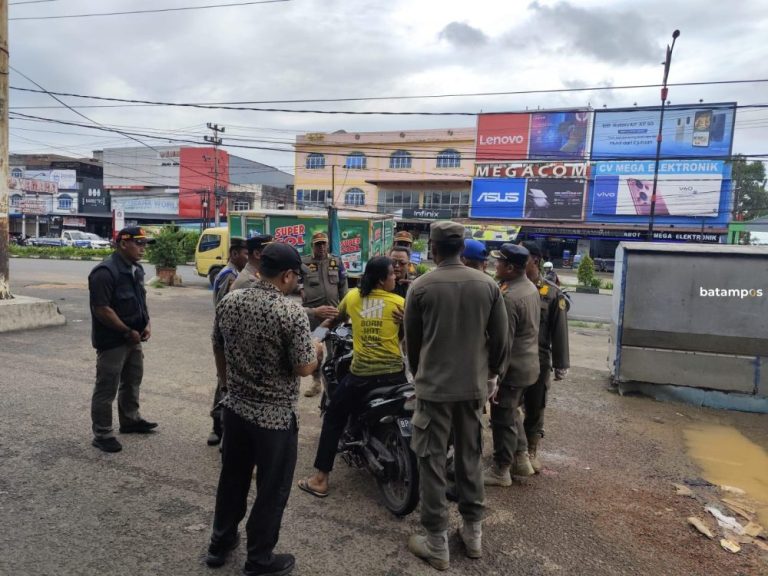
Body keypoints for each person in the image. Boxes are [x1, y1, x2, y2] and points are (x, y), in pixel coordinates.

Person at [206, 242, 321, 576]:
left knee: (232, 480)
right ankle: (259, 559)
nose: (296, 283)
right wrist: (317, 350)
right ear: (286, 276)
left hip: (236, 410)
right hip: (274, 419)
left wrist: (228, 386)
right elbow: (303, 368)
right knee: (271, 490)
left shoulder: (230, 300)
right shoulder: (290, 312)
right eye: (295, 277)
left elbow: (218, 347)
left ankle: (220, 543)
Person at [404, 221, 509, 570]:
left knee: (432, 463)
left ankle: (437, 544)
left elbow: (413, 345)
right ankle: (473, 535)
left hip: (434, 390)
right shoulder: (488, 285)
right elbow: (500, 340)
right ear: (462, 249)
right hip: (473, 389)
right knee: (470, 457)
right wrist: (492, 376)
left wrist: (421, 375)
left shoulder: (420, 287)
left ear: (433, 249)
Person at [298, 256, 406, 498]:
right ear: (381, 279)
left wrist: (315, 337)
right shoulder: (400, 303)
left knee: (334, 416)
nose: (395, 277)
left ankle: (320, 479)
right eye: (391, 274)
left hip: (364, 373)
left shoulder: (354, 298)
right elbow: (406, 335)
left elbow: (333, 320)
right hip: (396, 375)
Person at [88, 227, 157, 453]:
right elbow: (102, 309)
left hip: (133, 338)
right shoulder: (105, 272)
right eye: (139, 243)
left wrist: (146, 323)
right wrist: (127, 331)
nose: (142, 248)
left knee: (132, 380)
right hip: (113, 341)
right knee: (106, 386)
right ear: (123, 243)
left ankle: (130, 420)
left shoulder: (135, 269)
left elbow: (140, 300)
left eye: (144, 243)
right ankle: (103, 433)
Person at [485, 243, 540, 486]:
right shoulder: (528, 287)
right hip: (528, 365)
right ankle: (521, 459)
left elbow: (503, 342)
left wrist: (495, 374)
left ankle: (501, 470)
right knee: (513, 412)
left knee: (503, 418)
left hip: (512, 368)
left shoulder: (509, 297)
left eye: (498, 261)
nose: (494, 264)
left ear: (509, 267)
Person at [519, 242, 569, 473]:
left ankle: (531, 450)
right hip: (510, 359)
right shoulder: (506, 286)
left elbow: (559, 331)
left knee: (536, 406)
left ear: (535, 260)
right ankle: (512, 451)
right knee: (506, 407)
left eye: (523, 255)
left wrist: (561, 364)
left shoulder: (551, 293)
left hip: (539, 360)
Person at [208, 237, 249, 446]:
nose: (247, 257)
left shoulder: (235, 274)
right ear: (234, 254)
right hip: (226, 335)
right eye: (244, 253)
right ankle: (218, 428)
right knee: (223, 383)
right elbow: (226, 308)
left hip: (227, 335)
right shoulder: (229, 275)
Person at [301, 231, 347, 397]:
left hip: (333, 317)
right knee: (317, 350)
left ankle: (333, 382)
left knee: (335, 350)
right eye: (317, 244)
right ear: (312, 245)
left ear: (327, 244)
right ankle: (316, 382)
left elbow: (343, 286)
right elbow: (295, 281)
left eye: (323, 243)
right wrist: (299, 288)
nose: (321, 247)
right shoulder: (304, 263)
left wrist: (344, 310)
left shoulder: (336, 261)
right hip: (316, 319)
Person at [212, 237, 248, 305]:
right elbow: (225, 303)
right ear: (234, 254)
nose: (248, 259)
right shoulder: (229, 274)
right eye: (246, 254)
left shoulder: (233, 271)